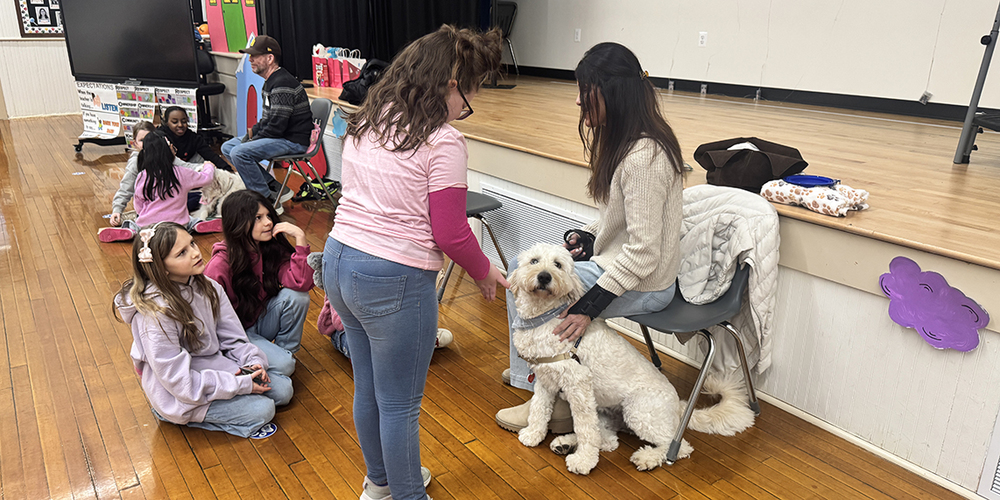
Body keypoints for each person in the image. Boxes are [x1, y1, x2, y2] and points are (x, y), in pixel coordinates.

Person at [323, 25, 506, 500]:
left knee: (369, 388)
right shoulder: (442, 142)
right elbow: (450, 232)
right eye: (468, 94)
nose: (466, 109)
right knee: (400, 404)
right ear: (449, 84)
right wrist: (486, 273)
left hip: (339, 260)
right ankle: (408, 495)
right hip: (393, 277)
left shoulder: (369, 118)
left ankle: (380, 485)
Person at [495, 42, 686, 433]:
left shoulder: (645, 158)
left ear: (612, 93)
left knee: (527, 282)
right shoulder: (629, 143)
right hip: (620, 266)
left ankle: (548, 401)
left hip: (647, 283)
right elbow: (619, 220)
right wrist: (590, 234)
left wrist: (589, 306)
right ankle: (538, 378)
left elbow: (644, 254)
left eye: (587, 92)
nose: (580, 102)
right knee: (522, 272)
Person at [114, 221, 293, 438]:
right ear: (161, 268)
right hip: (181, 394)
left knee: (284, 391)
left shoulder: (209, 286)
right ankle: (171, 415)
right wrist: (241, 385)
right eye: (181, 253)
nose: (195, 253)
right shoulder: (156, 315)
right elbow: (181, 384)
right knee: (262, 410)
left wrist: (252, 364)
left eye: (192, 243)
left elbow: (233, 337)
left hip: (215, 370)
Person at [204, 190, 311, 375]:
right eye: (258, 218)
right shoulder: (219, 266)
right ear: (238, 222)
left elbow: (300, 282)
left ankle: (285, 354)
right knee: (284, 369)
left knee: (297, 296)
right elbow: (210, 324)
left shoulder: (269, 248)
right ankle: (275, 363)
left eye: (268, 216)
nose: (268, 222)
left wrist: (300, 238)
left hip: (257, 322)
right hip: (234, 337)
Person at [221, 35, 312, 207]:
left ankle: (266, 203)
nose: (250, 60)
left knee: (239, 152)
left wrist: (252, 138)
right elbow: (268, 120)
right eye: (250, 56)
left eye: (255, 56)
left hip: (292, 141)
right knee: (228, 147)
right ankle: (275, 188)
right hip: (281, 137)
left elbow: (277, 127)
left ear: (270, 58)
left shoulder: (282, 83)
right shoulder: (270, 82)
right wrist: (253, 133)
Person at [98, 131, 222, 242]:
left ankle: (131, 231)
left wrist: (143, 214)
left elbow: (138, 205)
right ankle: (198, 224)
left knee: (135, 223)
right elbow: (206, 178)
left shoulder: (143, 176)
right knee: (188, 218)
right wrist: (208, 166)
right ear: (170, 151)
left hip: (149, 226)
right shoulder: (182, 172)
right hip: (177, 226)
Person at [108, 121, 208, 228]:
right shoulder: (136, 161)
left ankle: (131, 228)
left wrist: (204, 166)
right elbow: (126, 188)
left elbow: (187, 167)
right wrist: (117, 210)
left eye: (150, 138)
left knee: (197, 197)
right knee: (185, 213)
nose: (148, 142)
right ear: (135, 143)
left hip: (164, 206)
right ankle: (195, 223)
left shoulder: (166, 155)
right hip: (157, 207)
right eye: (142, 140)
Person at [159, 106, 231, 171]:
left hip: (189, 166)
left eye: (184, 121)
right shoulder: (160, 137)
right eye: (175, 122)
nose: (180, 125)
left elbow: (210, 155)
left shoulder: (193, 137)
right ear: (166, 123)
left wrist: (227, 169)